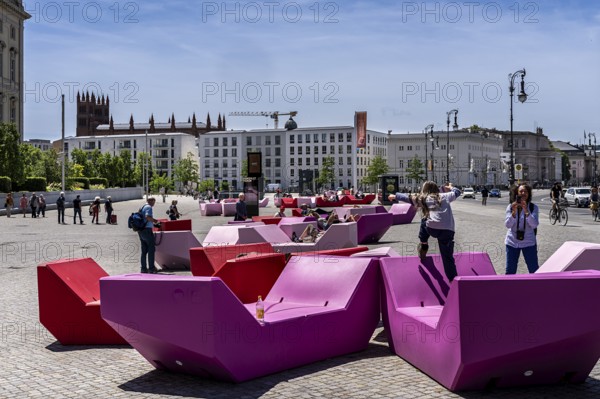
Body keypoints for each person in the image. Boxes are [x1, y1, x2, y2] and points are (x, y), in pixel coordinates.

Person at [389, 181, 461, 282]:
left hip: (432, 228)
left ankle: (423, 243)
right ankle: (453, 281)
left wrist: (395, 195)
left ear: (424, 190)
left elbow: (407, 197)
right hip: (447, 230)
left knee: (424, 219)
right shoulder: (445, 196)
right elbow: (457, 192)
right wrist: (450, 187)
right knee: (447, 257)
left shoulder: (423, 198)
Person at [505, 184, 539, 274]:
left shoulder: (533, 207)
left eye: (525, 191)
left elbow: (534, 225)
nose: (523, 193)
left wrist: (526, 211)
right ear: (517, 193)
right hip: (512, 242)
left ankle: (536, 287)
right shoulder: (510, 207)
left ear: (529, 194)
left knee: (534, 270)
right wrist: (514, 212)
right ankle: (508, 287)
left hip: (528, 242)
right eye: (521, 191)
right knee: (510, 271)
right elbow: (508, 225)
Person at [138, 197, 159, 274]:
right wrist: (155, 221)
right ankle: (151, 268)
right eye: (154, 201)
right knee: (151, 249)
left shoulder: (142, 207)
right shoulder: (148, 207)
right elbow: (147, 217)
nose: (154, 203)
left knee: (144, 251)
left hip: (141, 231)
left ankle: (143, 268)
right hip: (147, 230)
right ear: (151, 201)